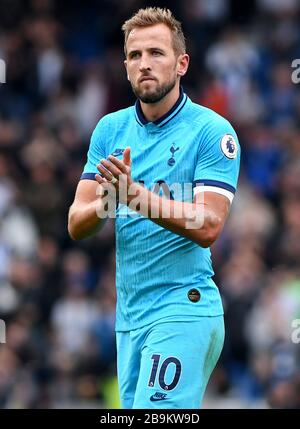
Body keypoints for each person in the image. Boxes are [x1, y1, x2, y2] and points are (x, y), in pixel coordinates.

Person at [68, 7, 240, 409]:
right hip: (129, 319)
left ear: (181, 64)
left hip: (184, 307)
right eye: (134, 55)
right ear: (125, 65)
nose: (144, 64)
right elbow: (77, 223)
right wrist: (111, 198)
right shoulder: (109, 130)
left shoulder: (211, 132)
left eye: (156, 53)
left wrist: (135, 197)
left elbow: (209, 223)